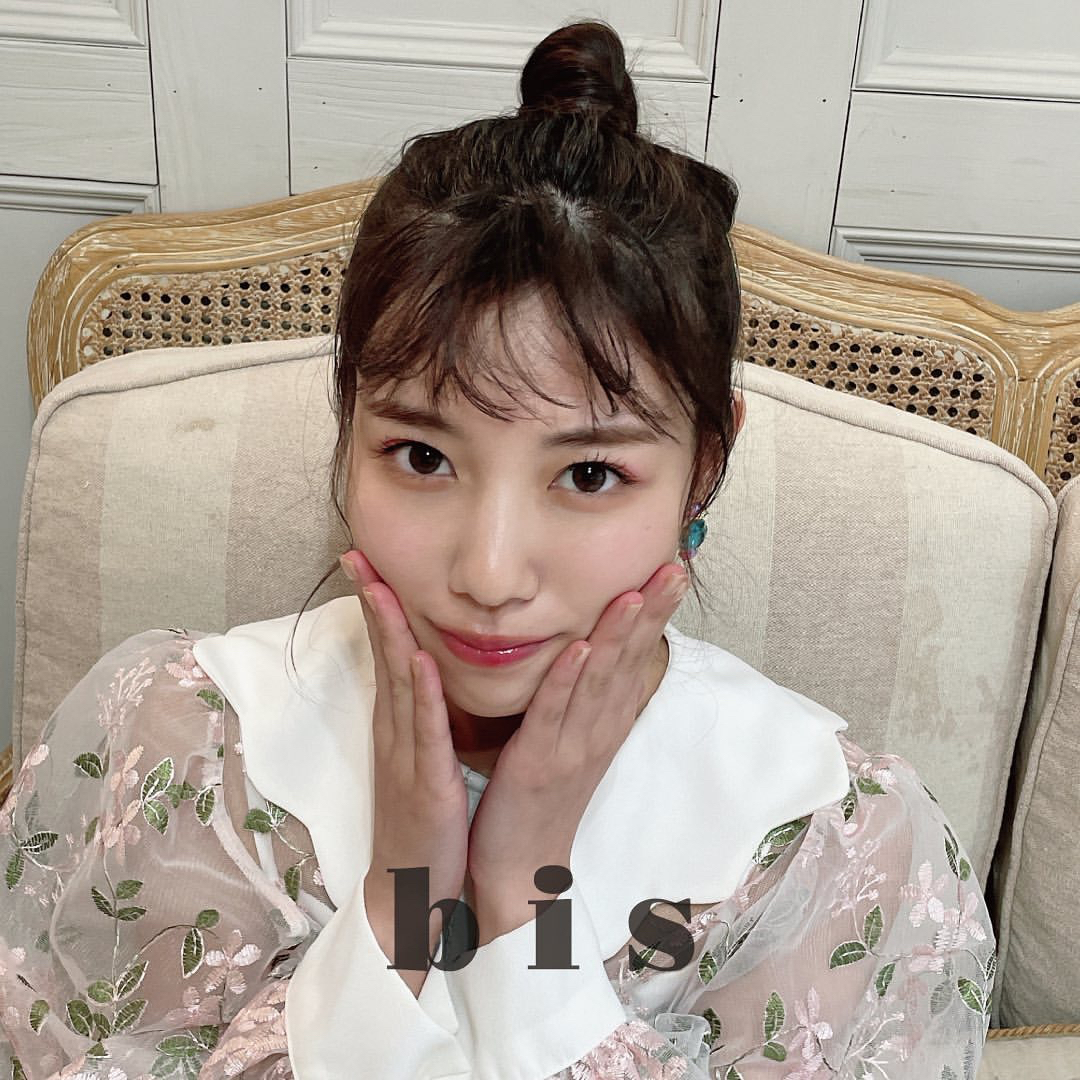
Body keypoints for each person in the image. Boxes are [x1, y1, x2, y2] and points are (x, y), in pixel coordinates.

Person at [1, 19, 994, 1080]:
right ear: (348, 425)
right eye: (423, 456)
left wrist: (529, 903)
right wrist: (403, 899)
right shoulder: (187, 748)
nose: (488, 574)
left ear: (706, 463)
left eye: (590, 474)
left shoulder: (822, 840)